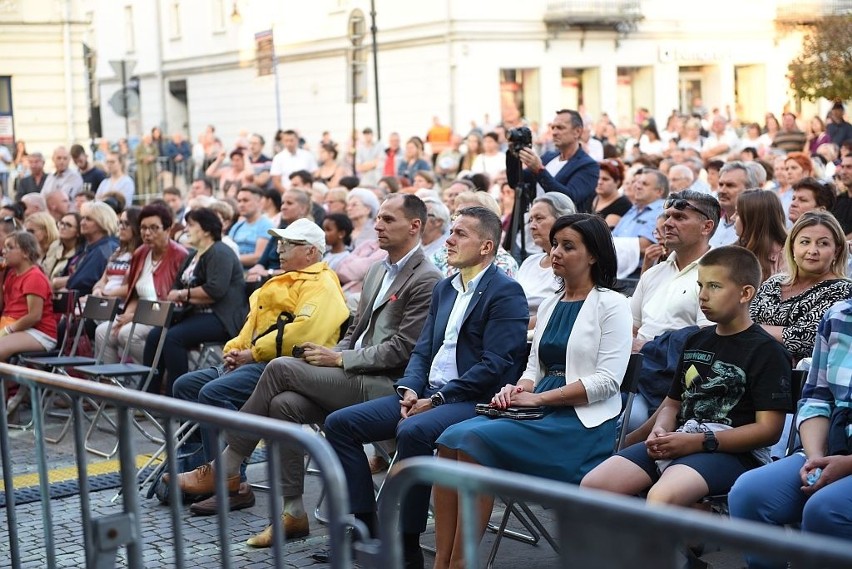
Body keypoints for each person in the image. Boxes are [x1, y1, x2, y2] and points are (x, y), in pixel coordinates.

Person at [170, 194, 442, 542]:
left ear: (415, 226)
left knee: (281, 368)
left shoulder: (426, 277)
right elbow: (355, 334)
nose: (378, 225)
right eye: (379, 219)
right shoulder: (377, 270)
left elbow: (403, 350)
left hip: (385, 383)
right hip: (351, 373)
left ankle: (228, 465)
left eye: (389, 219)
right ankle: (293, 513)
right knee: (283, 404)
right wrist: (333, 354)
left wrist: (340, 359)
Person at [320, 206, 529, 568]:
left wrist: (438, 398)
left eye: (460, 234)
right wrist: (410, 389)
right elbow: (422, 350)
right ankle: (368, 526)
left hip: (472, 401)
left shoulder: (505, 292)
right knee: (340, 424)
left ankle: (407, 541)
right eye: (451, 231)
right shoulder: (446, 288)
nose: (448, 240)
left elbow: (495, 365)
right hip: (428, 394)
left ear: (486, 246)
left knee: (413, 430)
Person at [433, 214, 632, 568]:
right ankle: (444, 562)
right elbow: (533, 369)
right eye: (554, 244)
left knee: (471, 442)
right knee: (449, 438)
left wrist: (538, 397)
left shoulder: (612, 304)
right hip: (538, 411)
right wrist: (517, 388)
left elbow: (607, 382)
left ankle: (463, 563)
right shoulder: (552, 303)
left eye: (568, 246)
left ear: (593, 256)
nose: (555, 252)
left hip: (580, 426)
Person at [582, 246, 792, 515]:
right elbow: (672, 403)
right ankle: (636, 553)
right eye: (700, 285)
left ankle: (674, 552)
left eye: (715, 286)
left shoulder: (767, 351)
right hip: (680, 438)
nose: (703, 295)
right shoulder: (695, 339)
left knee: (662, 496)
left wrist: (700, 441)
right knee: (594, 486)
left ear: (746, 293)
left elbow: (769, 430)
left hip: (734, 453)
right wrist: (660, 429)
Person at [170, 218, 349, 477]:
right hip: (259, 360)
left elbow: (304, 333)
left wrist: (251, 353)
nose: (279, 249)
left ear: (311, 251)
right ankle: (198, 463)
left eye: (288, 244)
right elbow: (250, 326)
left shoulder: (322, 283)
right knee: (185, 386)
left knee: (213, 393)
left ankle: (228, 476)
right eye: (279, 243)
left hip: (288, 365)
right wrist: (234, 350)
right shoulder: (283, 279)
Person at [729, 297, 852, 569]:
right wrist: (816, 458)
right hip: (833, 445)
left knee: (825, 509)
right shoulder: (839, 316)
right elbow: (817, 398)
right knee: (749, 493)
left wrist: (845, 465)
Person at [627, 190, 720, 431]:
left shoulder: (718, 274)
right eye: (667, 216)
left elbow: (708, 340)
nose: (667, 223)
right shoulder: (653, 273)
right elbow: (631, 327)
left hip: (674, 386)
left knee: (626, 420)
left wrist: (648, 347)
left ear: (706, 226)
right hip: (630, 373)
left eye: (679, 217)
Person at [143, 207, 248, 390]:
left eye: (191, 225)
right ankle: (148, 393)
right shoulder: (193, 254)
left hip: (221, 317)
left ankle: (178, 397)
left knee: (173, 337)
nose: (186, 229)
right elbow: (176, 285)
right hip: (196, 314)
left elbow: (215, 290)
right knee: (155, 335)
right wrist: (180, 294)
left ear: (206, 229)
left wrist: (183, 295)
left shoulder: (220, 252)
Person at [93, 204, 187, 370]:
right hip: (139, 314)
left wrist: (135, 316)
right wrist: (126, 316)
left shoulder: (180, 255)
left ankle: (157, 373)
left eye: (154, 228)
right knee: (103, 331)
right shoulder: (140, 253)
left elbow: (169, 300)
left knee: (127, 334)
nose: (147, 233)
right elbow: (134, 293)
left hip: (164, 317)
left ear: (167, 229)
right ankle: (108, 387)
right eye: (143, 227)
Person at [750, 211, 852, 363]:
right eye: (805, 242)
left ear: (836, 251)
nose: (812, 251)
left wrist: (750, 329)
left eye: (823, 243)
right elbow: (744, 319)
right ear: (792, 247)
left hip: (802, 379)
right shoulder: (774, 282)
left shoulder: (843, 290)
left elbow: (805, 338)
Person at [518, 109, 600, 212]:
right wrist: (514, 153)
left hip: (564, 226)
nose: (554, 132)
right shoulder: (548, 157)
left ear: (577, 131)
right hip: (535, 223)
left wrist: (540, 170)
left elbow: (569, 199)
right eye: (553, 128)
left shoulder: (589, 166)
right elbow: (516, 181)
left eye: (560, 128)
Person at [515, 192, 576, 329]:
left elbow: (561, 311)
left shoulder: (571, 264)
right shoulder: (529, 262)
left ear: (562, 219)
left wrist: (515, 325)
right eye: (530, 220)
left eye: (539, 218)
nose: (532, 226)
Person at [0, 231, 58, 359]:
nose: (4, 251)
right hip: (16, 327)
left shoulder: (34, 277)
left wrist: (7, 330)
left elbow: (34, 316)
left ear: (25, 253)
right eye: (4, 247)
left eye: (10, 247)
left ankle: (9, 379)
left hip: (39, 332)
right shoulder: (10, 275)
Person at [55, 202, 119, 295]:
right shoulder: (88, 247)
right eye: (82, 218)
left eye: (88, 219)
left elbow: (82, 281)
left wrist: (59, 282)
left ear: (102, 222)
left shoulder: (105, 249)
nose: (82, 223)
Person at [734, 190, 787, 283]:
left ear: (753, 219)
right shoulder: (734, 251)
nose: (732, 217)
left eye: (737, 213)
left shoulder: (789, 257)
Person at [90, 207, 142, 301]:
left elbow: (134, 288)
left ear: (136, 227)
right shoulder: (118, 251)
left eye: (126, 224)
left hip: (120, 305)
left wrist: (106, 293)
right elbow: (103, 280)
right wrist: (97, 289)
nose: (121, 227)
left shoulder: (141, 253)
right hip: (105, 300)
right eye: (120, 223)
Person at [710, 161, 760, 249]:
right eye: (721, 184)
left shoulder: (757, 231)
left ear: (749, 189)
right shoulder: (712, 224)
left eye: (730, 185)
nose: (722, 190)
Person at [229, 185, 273, 269]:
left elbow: (258, 257)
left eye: (245, 200)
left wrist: (229, 259)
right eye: (239, 201)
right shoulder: (237, 226)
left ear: (259, 202)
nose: (241, 204)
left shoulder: (266, 225)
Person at [43, 213, 83, 286]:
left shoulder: (81, 253)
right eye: (61, 223)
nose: (62, 227)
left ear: (78, 232)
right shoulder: (55, 245)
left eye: (68, 225)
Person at [593, 158, 631, 228]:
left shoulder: (623, 204)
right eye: (598, 178)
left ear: (617, 182)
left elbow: (604, 232)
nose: (599, 182)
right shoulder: (591, 196)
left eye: (605, 179)